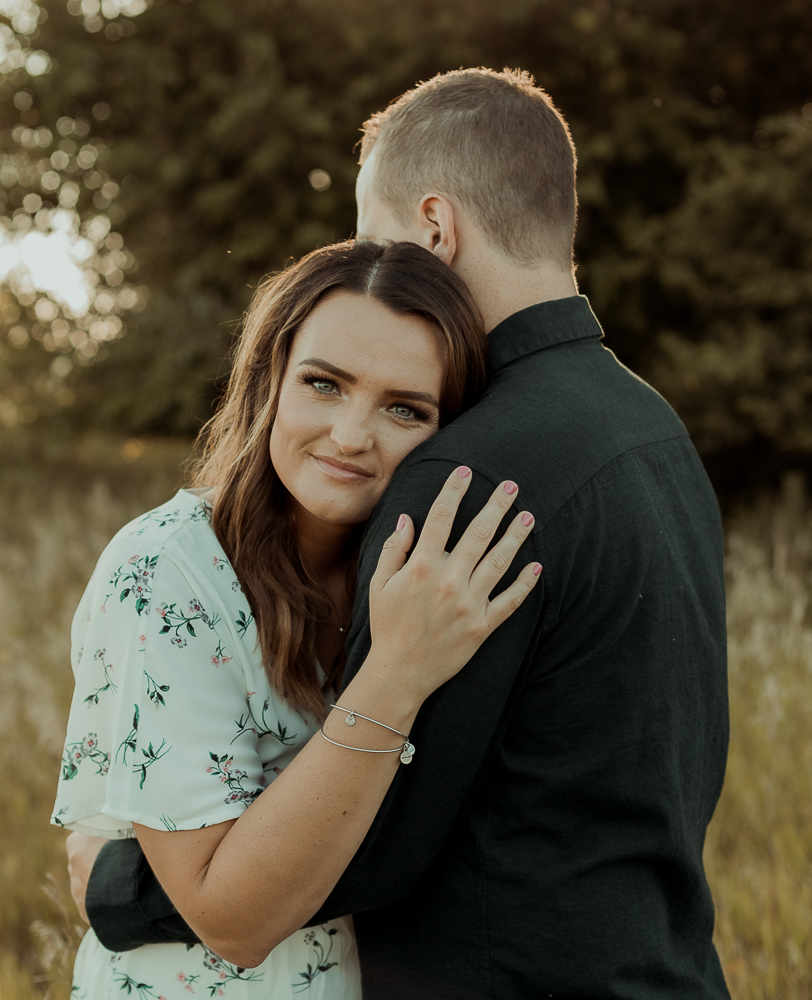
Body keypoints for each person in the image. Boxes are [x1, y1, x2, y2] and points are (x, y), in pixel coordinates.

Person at [73, 67, 733, 999]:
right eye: (326, 384)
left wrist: (120, 883)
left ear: (432, 228)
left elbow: (380, 832)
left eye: (369, 234)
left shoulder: (470, 469)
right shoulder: (650, 429)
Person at [51, 238, 545, 999]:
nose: (351, 436)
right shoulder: (169, 573)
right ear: (270, 380)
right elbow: (231, 922)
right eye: (324, 384)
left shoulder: (419, 584)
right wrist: (397, 673)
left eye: (405, 409)